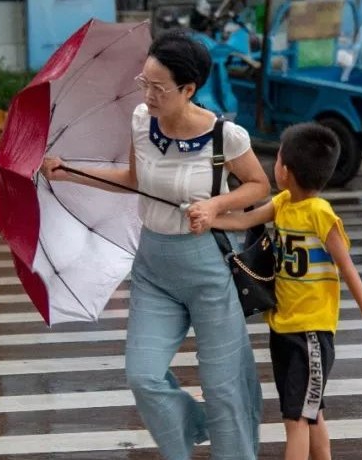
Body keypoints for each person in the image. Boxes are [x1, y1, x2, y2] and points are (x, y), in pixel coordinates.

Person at [40, 30, 268, 460]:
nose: (147, 93)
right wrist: (69, 171)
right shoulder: (142, 122)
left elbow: (258, 185)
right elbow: (134, 181)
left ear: (188, 89)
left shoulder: (226, 137)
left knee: (223, 385)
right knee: (143, 376)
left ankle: (231, 444)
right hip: (153, 269)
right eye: (143, 82)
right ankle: (202, 427)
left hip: (207, 270)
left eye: (158, 87)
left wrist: (216, 204)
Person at [197, 123, 362, 460]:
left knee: (295, 418)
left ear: (286, 170)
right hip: (283, 327)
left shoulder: (320, 214)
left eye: (278, 157)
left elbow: (348, 269)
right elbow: (243, 221)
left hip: (311, 333)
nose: (274, 164)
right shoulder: (284, 203)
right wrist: (206, 217)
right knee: (311, 414)